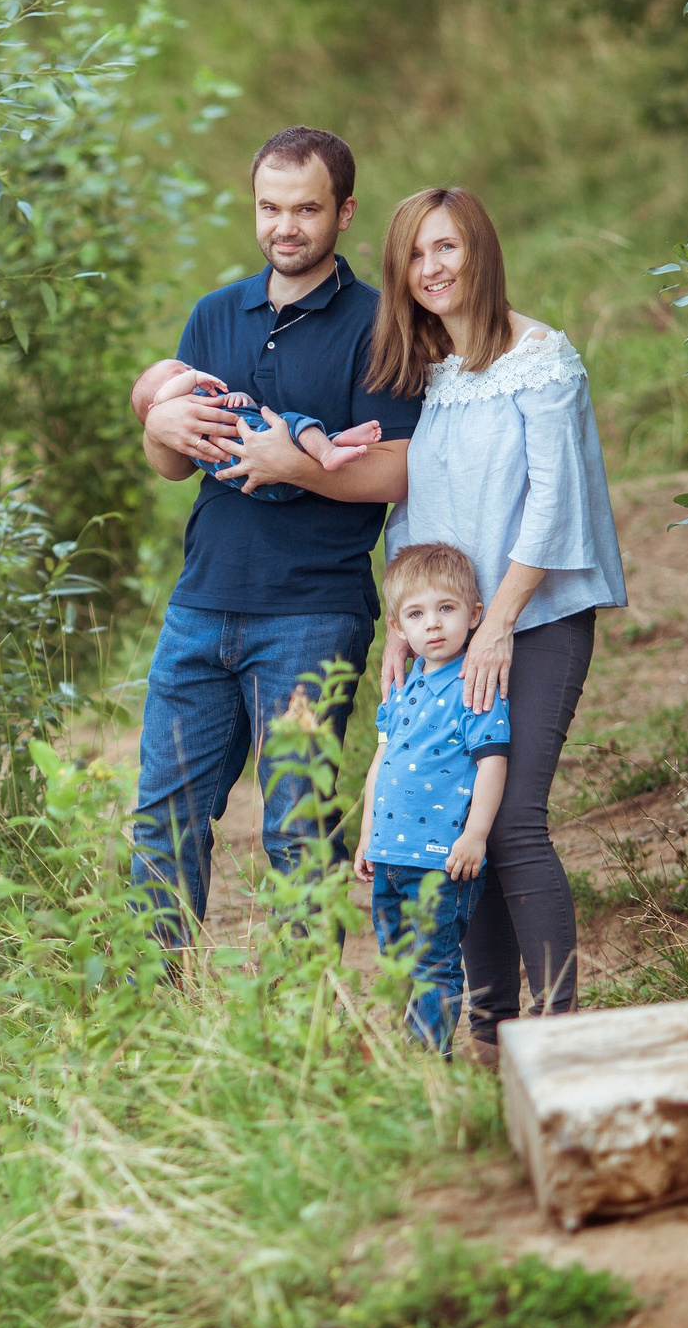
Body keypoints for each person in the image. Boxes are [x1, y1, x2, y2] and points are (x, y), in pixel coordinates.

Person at [128, 127, 423, 967]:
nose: (284, 226)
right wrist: (160, 425)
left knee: (296, 821)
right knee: (163, 816)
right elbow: (169, 463)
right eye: (269, 207)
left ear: (344, 212)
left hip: (310, 612)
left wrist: (298, 464)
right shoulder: (215, 314)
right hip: (200, 603)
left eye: (305, 208)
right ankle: (160, 1001)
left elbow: (398, 467)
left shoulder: (379, 323)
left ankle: (303, 1020)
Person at [370, 185, 626, 1064]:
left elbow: (554, 505)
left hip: (535, 617)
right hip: (448, 630)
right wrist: (401, 625)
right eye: (414, 254)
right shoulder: (427, 375)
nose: (432, 269)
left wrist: (500, 621)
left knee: (512, 818)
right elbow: (413, 511)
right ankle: (490, 1034)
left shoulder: (542, 358)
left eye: (447, 248)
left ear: (480, 250)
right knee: (452, 826)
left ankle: (560, 1030)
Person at [351, 542, 509, 1055]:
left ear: (475, 615)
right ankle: (407, 1056)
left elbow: (491, 761)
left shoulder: (474, 685)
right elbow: (381, 766)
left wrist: (476, 835)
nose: (433, 624)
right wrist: (366, 835)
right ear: (399, 628)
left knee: (433, 964)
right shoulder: (401, 689)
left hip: (441, 858)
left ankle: (426, 1066)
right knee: (398, 961)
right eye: (417, 614)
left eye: (446, 608)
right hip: (390, 853)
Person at [139, 365, 383, 503]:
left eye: (186, 369)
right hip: (253, 471)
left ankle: (335, 442)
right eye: (176, 373)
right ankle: (330, 449)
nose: (188, 370)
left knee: (295, 440)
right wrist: (188, 379)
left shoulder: (207, 399)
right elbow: (161, 402)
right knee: (291, 423)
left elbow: (248, 411)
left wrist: (240, 399)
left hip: (268, 487)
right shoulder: (170, 407)